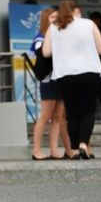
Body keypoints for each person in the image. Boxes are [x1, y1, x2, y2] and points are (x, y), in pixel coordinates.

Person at [43, 0, 101, 159]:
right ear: (76, 10)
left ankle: (75, 150)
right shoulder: (89, 24)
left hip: (64, 74)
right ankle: (83, 144)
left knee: (72, 113)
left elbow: (46, 52)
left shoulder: (54, 27)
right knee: (88, 111)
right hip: (89, 72)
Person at [29, 8, 70, 160]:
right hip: (48, 81)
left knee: (58, 117)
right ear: (46, 19)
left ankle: (54, 150)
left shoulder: (60, 36)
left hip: (59, 79)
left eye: (57, 17)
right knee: (45, 116)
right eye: (52, 17)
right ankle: (36, 150)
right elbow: (43, 54)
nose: (55, 20)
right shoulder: (40, 37)